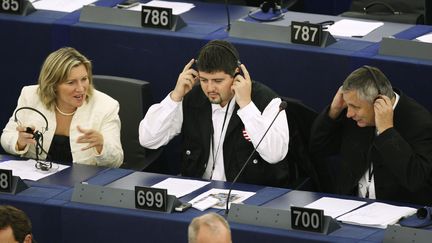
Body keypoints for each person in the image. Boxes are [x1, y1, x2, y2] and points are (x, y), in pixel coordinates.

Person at [139, 40, 291, 187]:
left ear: (236, 74)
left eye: (218, 81)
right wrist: (174, 98)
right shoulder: (190, 96)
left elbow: (275, 154)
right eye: (204, 80)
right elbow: (148, 139)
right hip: (197, 193)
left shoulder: (266, 101)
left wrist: (246, 106)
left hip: (248, 197)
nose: (210, 88)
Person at [310, 65, 432, 205]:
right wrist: (334, 110)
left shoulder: (420, 123)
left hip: (398, 213)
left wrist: (387, 131)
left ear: (378, 102)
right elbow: (318, 148)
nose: (349, 114)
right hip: (349, 206)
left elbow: (415, 180)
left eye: (355, 107)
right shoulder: (352, 115)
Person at [1, 47, 123, 168]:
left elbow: (116, 161)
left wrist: (102, 145)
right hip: (38, 177)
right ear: (53, 85)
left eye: (84, 79)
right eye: (71, 82)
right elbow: (6, 137)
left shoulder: (106, 105)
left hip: (83, 182)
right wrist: (19, 142)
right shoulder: (31, 95)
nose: (81, 88)